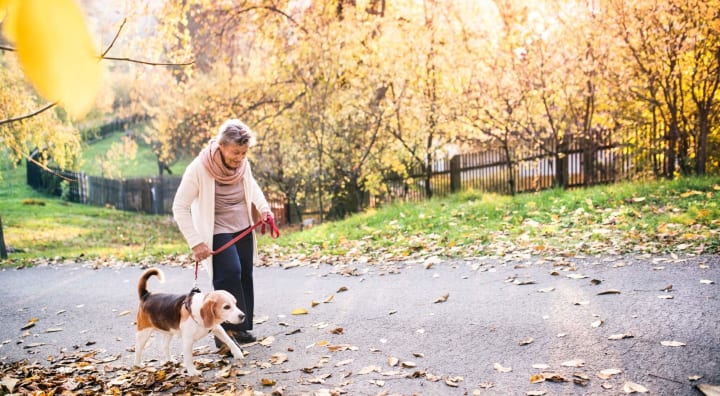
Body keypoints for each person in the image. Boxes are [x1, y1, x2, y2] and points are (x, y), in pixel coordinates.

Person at [172, 119, 272, 345]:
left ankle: (242, 328)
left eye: (244, 153)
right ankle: (225, 336)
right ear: (221, 145)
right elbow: (179, 207)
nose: (240, 158)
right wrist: (196, 242)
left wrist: (264, 209)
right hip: (217, 228)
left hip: (243, 225)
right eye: (235, 152)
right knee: (229, 273)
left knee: (245, 274)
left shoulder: (243, 165)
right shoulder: (199, 168)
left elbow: (252, 186)